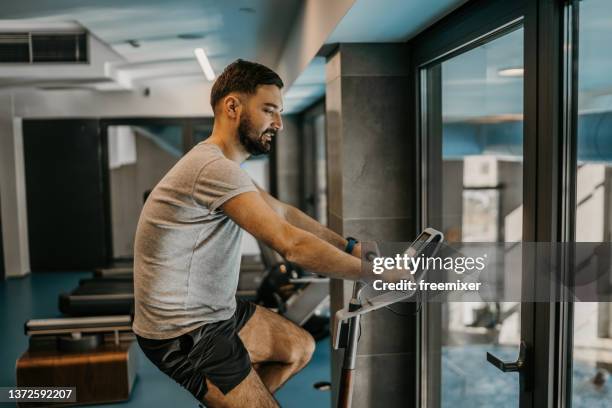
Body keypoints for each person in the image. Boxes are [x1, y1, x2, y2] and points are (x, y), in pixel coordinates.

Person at [133, 59, 364, 408]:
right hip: (183, 332)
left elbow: (283, 212)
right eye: (269, 110)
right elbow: (291, 244)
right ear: (232, 107)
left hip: (216, 313)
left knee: (299, 348)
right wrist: (375, 273)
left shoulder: (224, 167)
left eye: (280, 112)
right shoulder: (213, 168)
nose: (279, 124)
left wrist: (348, 246)